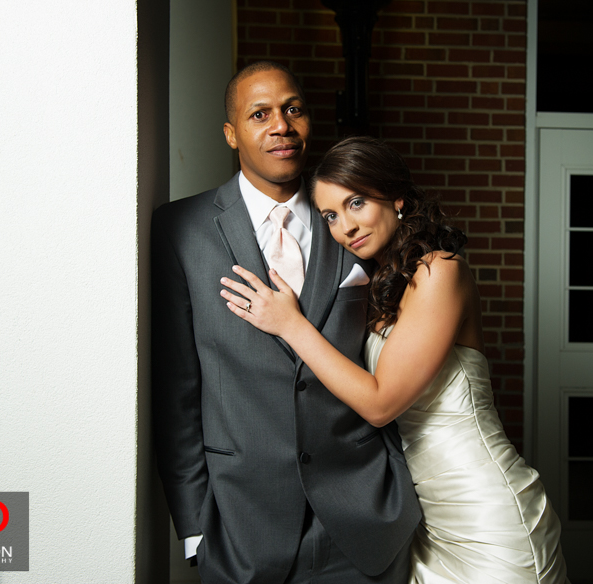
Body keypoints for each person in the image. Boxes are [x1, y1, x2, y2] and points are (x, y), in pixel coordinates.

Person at [221, 136, 571, 584]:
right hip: (427, 518)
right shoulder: (386, 284)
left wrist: (291, 325)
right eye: (330, 215)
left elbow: (381, 402)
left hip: (483, 509)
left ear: (397, 198)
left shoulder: (440, 270)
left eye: (357, 203)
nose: (345, 226)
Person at [151, 62, 420, 584]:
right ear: (232, 133)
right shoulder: (181, 229)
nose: (281, 124)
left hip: (363, 522)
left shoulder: (353, 220)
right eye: (260, 114)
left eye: (292, 109)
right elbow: (176, 390)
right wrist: (193, 526)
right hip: (239, 526)